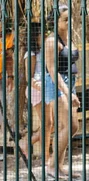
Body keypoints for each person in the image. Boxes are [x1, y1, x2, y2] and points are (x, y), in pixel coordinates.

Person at [44, 4, 81, 180]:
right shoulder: (52, 41)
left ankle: (59, 165)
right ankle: (52, 166)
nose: (69, 22)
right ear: (56, 21)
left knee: (69, 127)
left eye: (70, 18)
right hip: (57, 84)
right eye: (65, 19)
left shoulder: (69, 38)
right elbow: (52, 70)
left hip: (70, 84)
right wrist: (68, 92)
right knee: (70, 126)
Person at [19, 22, 54, 159]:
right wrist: (40, 86)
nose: (44, 36)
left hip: (46, 87)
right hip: (37, 89)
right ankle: (45, 155)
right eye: (41, 34)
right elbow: (29, 77)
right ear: (34, 36)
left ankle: (27, 143)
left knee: (50, 124)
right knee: (48, 123)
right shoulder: (31, 53)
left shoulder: (44, 51)